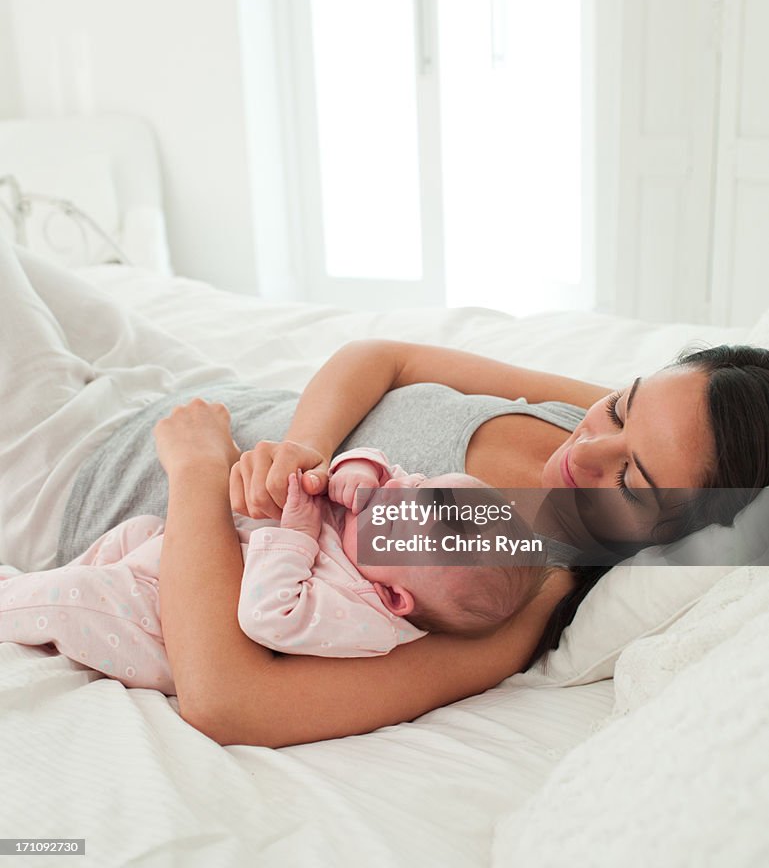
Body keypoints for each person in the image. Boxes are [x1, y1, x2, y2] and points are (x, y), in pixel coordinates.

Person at [3, 239, 769, 746]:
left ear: (681, 534)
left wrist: (201, 475)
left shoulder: (506, 586)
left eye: (630, 479)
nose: (585, 449)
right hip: (195, 389)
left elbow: (228, 701)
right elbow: (388, 357)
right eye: (623, 404)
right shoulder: (608, 423)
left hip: (73, 467)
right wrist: (306, 442)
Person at [0, 449, 546, 693]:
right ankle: (24, 604)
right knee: (134, 533)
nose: (396, 488)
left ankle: (21, 606)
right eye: (418, 485)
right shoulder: (379, 529)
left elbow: (268, 617)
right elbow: (388, 465)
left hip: (167, 630)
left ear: (395, 597)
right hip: (177, 567)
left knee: (81, 597)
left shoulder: (362, 618)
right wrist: (360, 467)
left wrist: (299, 535)